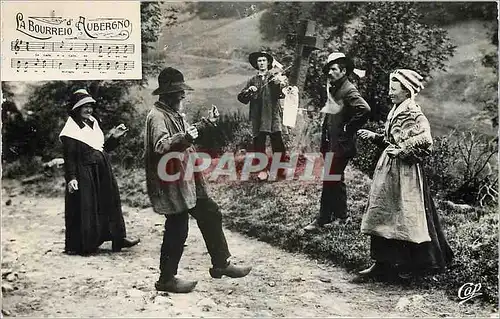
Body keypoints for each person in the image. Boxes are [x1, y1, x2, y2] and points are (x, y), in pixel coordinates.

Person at [144, 67, 252, 293]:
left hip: (188, 180)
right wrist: (185, 137)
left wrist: (205, 124)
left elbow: (186, 136)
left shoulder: (172, 113)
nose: (182, 95)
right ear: (166, 94)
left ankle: (221, 264)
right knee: (177, 226)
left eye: (182, 90)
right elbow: (161, 145)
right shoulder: (157, 117)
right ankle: (166, 279)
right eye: (177, 92)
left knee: (210, 212)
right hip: (171, 183)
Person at [357, 69, 453, 279]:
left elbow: (426, 141)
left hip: (406, 173)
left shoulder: (413, 113)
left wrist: (402, 151)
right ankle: (382, 263)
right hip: (389, 170)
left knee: (405, 216)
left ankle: (412, 265)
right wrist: (375, 137)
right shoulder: (396, 110)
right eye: (390, 88)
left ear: (406, 90)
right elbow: (391, 140)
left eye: (394, 89)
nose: (390, 93)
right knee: (382, 213)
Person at [59, 89, 140, 256]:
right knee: (88, 207)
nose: (89, 110)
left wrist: (115, 137)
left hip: (102, 170)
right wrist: (71, 178)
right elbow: (70, 158)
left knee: (110, 201)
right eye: (84, 107)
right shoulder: (70, 131)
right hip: (85, 173)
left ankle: (118, 238)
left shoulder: (93, 123)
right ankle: (86, 244)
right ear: (76, 108)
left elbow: (103, 148)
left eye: (90, 106)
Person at [304, 52, 371, 231]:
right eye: (329, 69)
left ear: (343, 71)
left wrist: (348, 129)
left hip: (341, 145)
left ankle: (323, 219)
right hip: (332, 143)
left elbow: (364, 109)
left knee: (330, 179)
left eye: (333, 69)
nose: (330, 73)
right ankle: (341, 216)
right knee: (335, 179)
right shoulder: (335, 87)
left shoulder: (348, 89)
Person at [237, 51, 288, 178]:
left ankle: (280, 170)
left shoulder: (274, 77)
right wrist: (249, 90)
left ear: (268, 63)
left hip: (272, 115)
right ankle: (263, 171)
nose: (261, 63)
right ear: (256, 64)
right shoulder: (252, 80)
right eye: (259, 61)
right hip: (258, 116)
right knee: (259, 143)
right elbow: (242, 98)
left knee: (277, 143)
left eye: (264, 60)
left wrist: (280, 83)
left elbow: (282, 92)